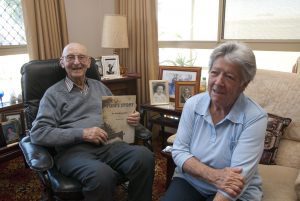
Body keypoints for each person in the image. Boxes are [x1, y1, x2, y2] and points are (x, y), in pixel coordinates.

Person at [30, 43, 154, 201]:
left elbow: (117, 117)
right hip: (74, 152)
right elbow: (38, 133)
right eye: (70, 58)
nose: (76, 62)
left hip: (110, 145)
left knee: (144, 156)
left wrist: (131, 119)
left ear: (89, 62)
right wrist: (82, 134)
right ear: (62, 62)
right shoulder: (53, 94)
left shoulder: (100, 87)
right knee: (102, 175)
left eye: (81, 57)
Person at [161, 41, 268, 201]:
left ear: (243, 85)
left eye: (229, 76)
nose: (218, 82)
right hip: (191, 181)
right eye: (214, 73)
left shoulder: (255, 118)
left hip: (237, 192)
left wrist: (220, 182)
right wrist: (214, 176)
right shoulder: (192, 104)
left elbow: (236, 181)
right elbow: (179, 151)